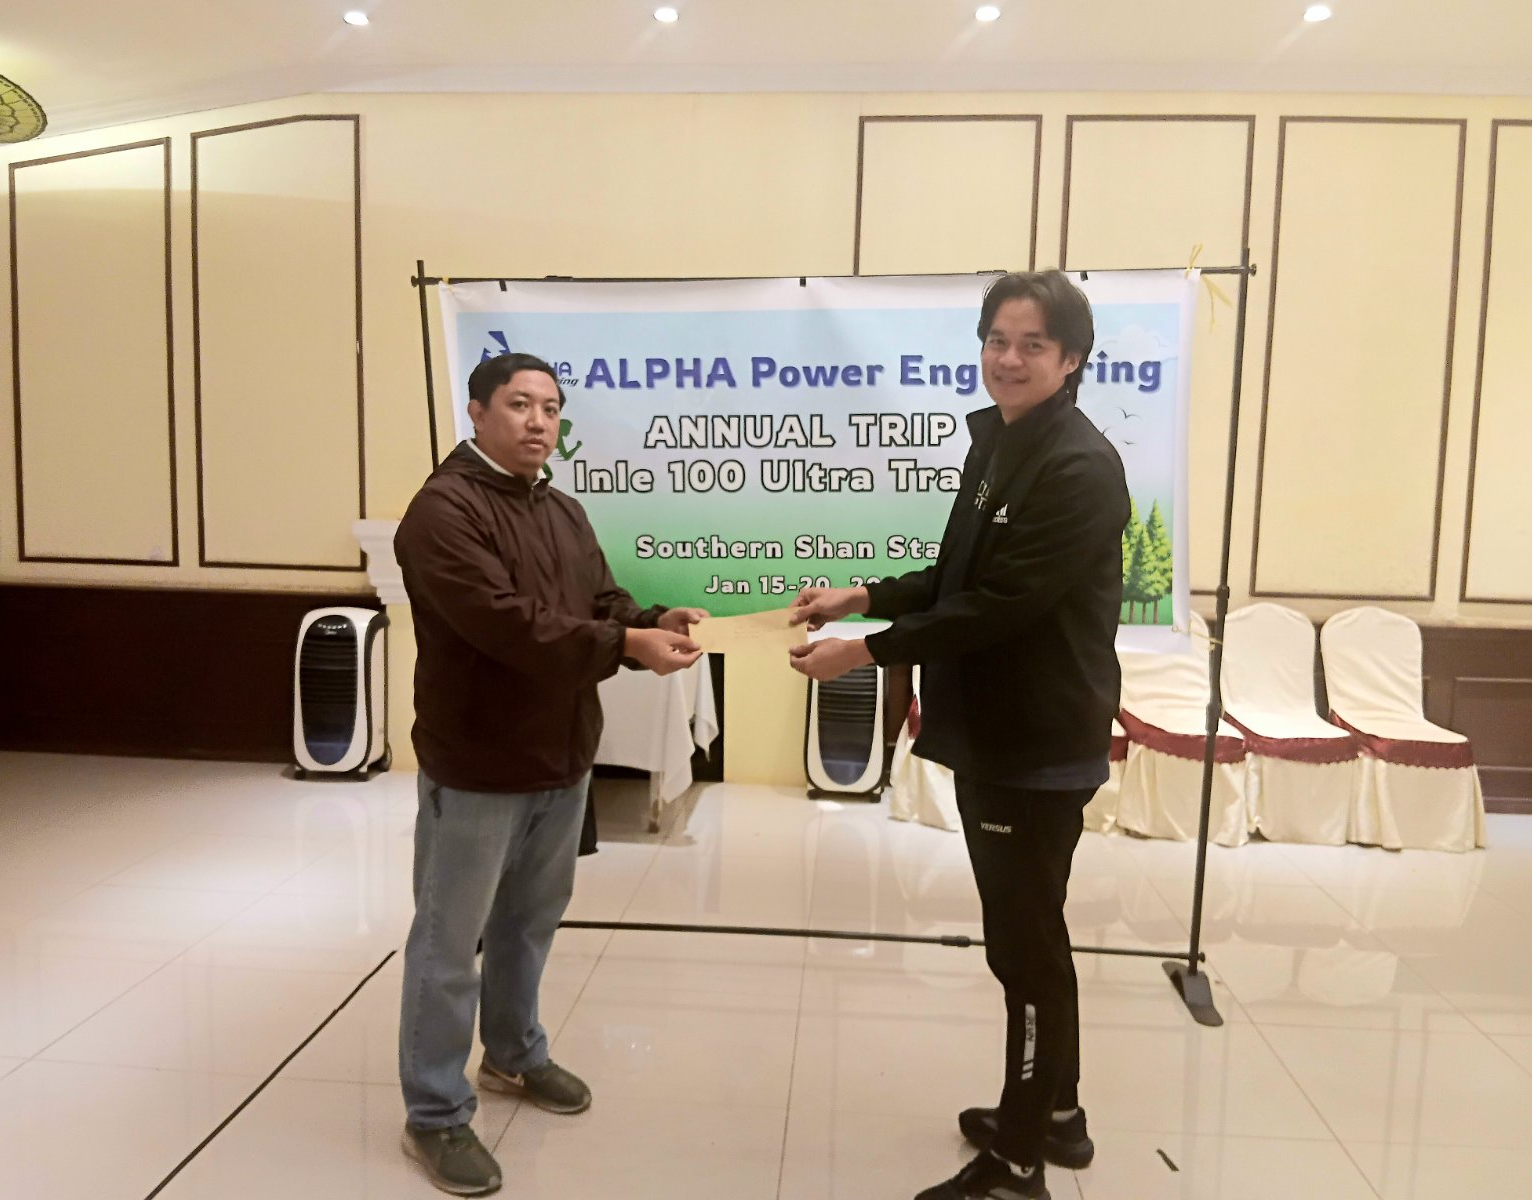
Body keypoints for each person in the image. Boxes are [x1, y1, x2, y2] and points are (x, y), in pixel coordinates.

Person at [789, 271, 1128, 1200]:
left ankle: (1018, 1161)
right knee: (1033, 935)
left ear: (1071, 359)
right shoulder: (999, 442)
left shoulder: (1078, 468)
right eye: (996, 341)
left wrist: (865, 651)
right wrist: (862, 597)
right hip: (995, 728)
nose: (1007, 360)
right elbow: (958, 575)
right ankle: (1057, 1116)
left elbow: (999, 606)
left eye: (1031, 345)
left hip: (1034, 741)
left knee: (1022, 949)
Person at [394, 352, 706, 1196]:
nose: (539, 422)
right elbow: (509, 626)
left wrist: (652, 620)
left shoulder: (561, 509)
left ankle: (513, 1055)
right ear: (476, 412)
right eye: (520, 404)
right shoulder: (442, 512)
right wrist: (625, 643)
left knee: (529, 925)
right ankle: (435, 1112)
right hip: (478, 764)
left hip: (560, 758)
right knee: (450, 943)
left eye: (552, 408)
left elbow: (597, 602)